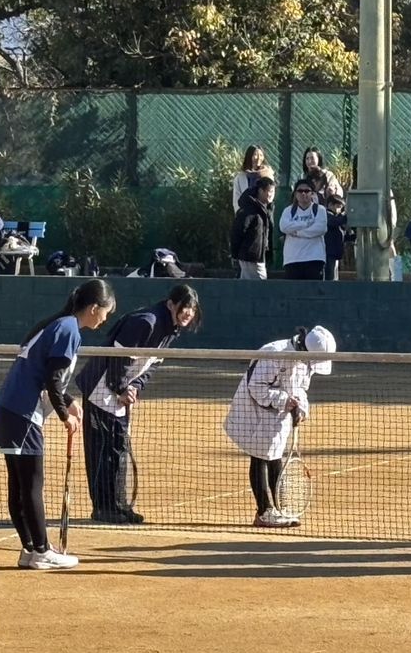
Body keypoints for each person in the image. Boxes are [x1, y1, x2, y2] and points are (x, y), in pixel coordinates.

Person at [0, 279, 116, 571]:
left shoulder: (58, 325)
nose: (105, 319)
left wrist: (69, 401)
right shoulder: (69, 330)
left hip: (9, 408)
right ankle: (41, 550)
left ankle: (30, 550)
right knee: (31, 485)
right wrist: (65, 415)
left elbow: (49, 375)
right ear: (94, 308)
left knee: (20, 484)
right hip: (22, 413)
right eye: (106, 313)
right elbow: (52, 379)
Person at [75, 284, 202, 524]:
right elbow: (118, 358)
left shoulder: (170, 329)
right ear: (171, 304)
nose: (189, 313)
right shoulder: (146, 322)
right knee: (104, 450)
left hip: (119, 394)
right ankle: (104, 508)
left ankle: (119, 506)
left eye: (193, 309)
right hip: (100, 390)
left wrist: (134, 387)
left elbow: (152, 364)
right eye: (185, 306)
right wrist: (120, 388)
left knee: (118, 449)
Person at [224, 325, 337, 528]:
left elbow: (301, 388)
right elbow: (256, 387)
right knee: (260, 455)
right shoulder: (274, 353)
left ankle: (279, 508)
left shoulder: (306, 361)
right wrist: (284, 400)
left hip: (277, 415)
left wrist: (301, 407)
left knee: (274, 454)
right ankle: (264, 511)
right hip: (253, 410)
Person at [280, 179, 328, 280]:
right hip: (292, 259)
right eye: (300, 191)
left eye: (307, 191)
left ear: (312, 193)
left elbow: (320, 229)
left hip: (314, 258)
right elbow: (284, 227)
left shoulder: (320, 210)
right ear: (295, 194)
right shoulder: (288, 211)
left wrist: (297, 232)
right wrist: (306, 224)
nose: (303, 194)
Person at [231, 177, 274, 280]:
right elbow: (238, 232)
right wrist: (235, 254)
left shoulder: (265, 210)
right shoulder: (249, 210)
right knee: (258, 286)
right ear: (260, 191)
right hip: (251, 257)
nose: (271, 195)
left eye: (273, 192)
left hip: (258, 257)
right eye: (269, 191)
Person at [232, 145, 276, 213]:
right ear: (249, 157)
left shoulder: (268, 174)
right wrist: (240, 213)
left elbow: (271, 195)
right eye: (255, 155)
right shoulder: (240, 177)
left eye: (261, 155)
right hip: (246, 213)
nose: (258, 158)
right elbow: (236, 198)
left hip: (263, 212)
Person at [323, 194, 354, 281]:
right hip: (328, 252)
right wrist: (347, 216)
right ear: (330, 205)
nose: (339, 210)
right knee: (330, 276)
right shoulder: (326, 215)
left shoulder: (336, 218)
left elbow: (343, 235)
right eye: (338, 206)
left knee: (334, 276)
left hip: (335, 252)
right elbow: (334, 222)